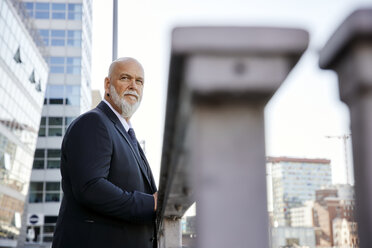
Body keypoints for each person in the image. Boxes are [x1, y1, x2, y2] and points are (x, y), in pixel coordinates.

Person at [52, 57, 158, 248]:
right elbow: (91, 187)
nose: (133, 86)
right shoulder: (93, 123)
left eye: (139, 81)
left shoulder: (125, 133)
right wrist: (151, 204)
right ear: (108, 84)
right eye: (125, 78)